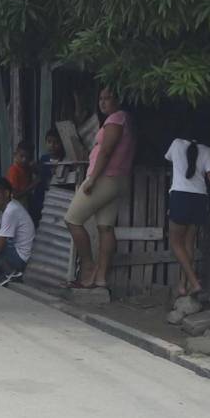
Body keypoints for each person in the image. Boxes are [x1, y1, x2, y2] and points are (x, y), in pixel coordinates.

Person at [64, 88, 136, 291]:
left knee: (72, 219)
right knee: (105, 227)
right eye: (101, 99)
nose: (103, 103)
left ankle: (88, 267)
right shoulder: (126, 119)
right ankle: (101, 278)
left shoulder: (116, 120)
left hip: (105, 178)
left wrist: (92, 179)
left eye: (108, 98)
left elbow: (105, 151)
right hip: (118, 179)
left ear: (118, 99)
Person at [165, 123, 210, 297]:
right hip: (199, 199)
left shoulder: (176, 144)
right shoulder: (208, 151)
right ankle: (183, 286)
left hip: (180, 197)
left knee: (176, 243)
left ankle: (194, 283)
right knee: (188, 243)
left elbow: (169, 159)